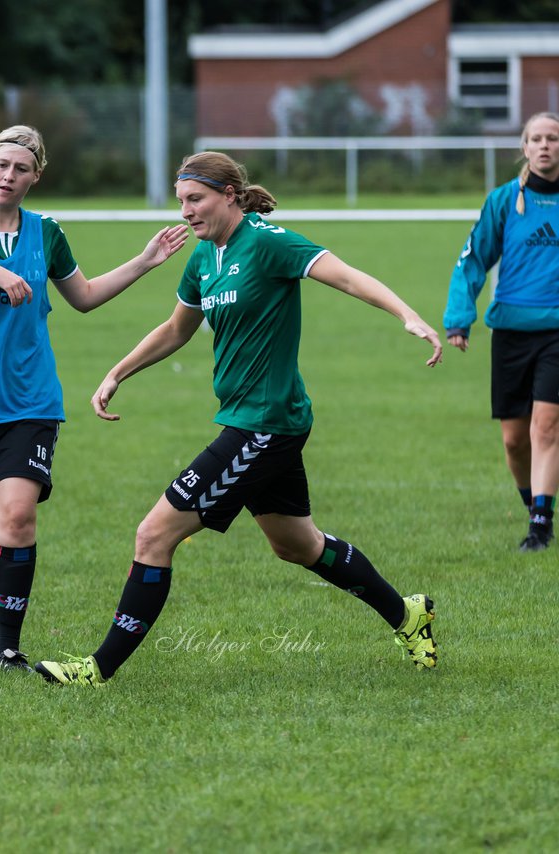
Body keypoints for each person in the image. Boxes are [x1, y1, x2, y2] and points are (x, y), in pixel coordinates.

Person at [33, 150, 443, 687]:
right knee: (296, 544)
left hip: (265, 424)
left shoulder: (269, 243)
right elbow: (177, 329)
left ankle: (98, 668)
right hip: (255, 420)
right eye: (181, 201)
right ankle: (408, 615)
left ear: (229, 195)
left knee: (153, 535)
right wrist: (118, 372)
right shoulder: (205, 258)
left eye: (195, 199)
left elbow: (344, 276)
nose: (185, 212)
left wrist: (407, 315)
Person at [0, 124, 189, 669]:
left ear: (36, 175)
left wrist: (144, 261)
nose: (8, 175)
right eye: (0, 164)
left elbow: (82, 297)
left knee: (16, 518)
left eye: (20, 168)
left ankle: (8, 647)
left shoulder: (47, 231)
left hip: (29, 400)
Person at [444, 111, 559, 552]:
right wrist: (459, 315)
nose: (545, 145)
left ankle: (540, 525)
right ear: (525, 148)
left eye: (553, 138)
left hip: (556, 334)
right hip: (511, 330)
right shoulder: (504, 201)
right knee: (515, 441)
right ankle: (536, 504)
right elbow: (473, 259)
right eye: (537, 138)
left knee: (546, 427)